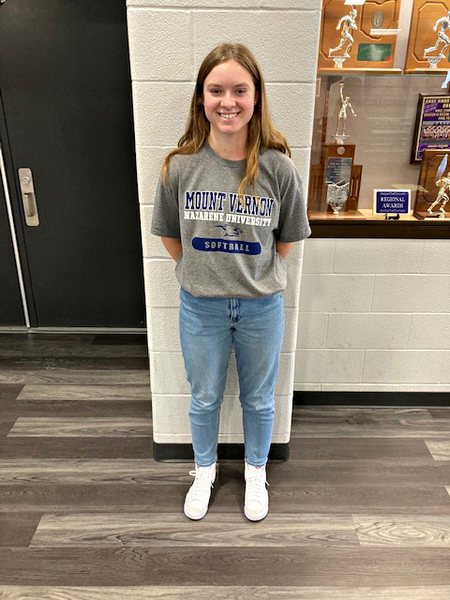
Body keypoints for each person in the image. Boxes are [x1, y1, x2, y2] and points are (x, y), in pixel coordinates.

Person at [150, 42, 311, 522]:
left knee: (259, 398)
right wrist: (203, 274)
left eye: (239, 90)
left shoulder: (279, 168)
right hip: (201, 308)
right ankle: (204, 471)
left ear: (256, 96)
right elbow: (171, 236)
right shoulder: (180, 167)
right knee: (204, 396)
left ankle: (256, 471)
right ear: (201, 97)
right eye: (216, 90)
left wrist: (254, 275)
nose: (228, 101)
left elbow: (286, 239)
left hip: (261, 307)